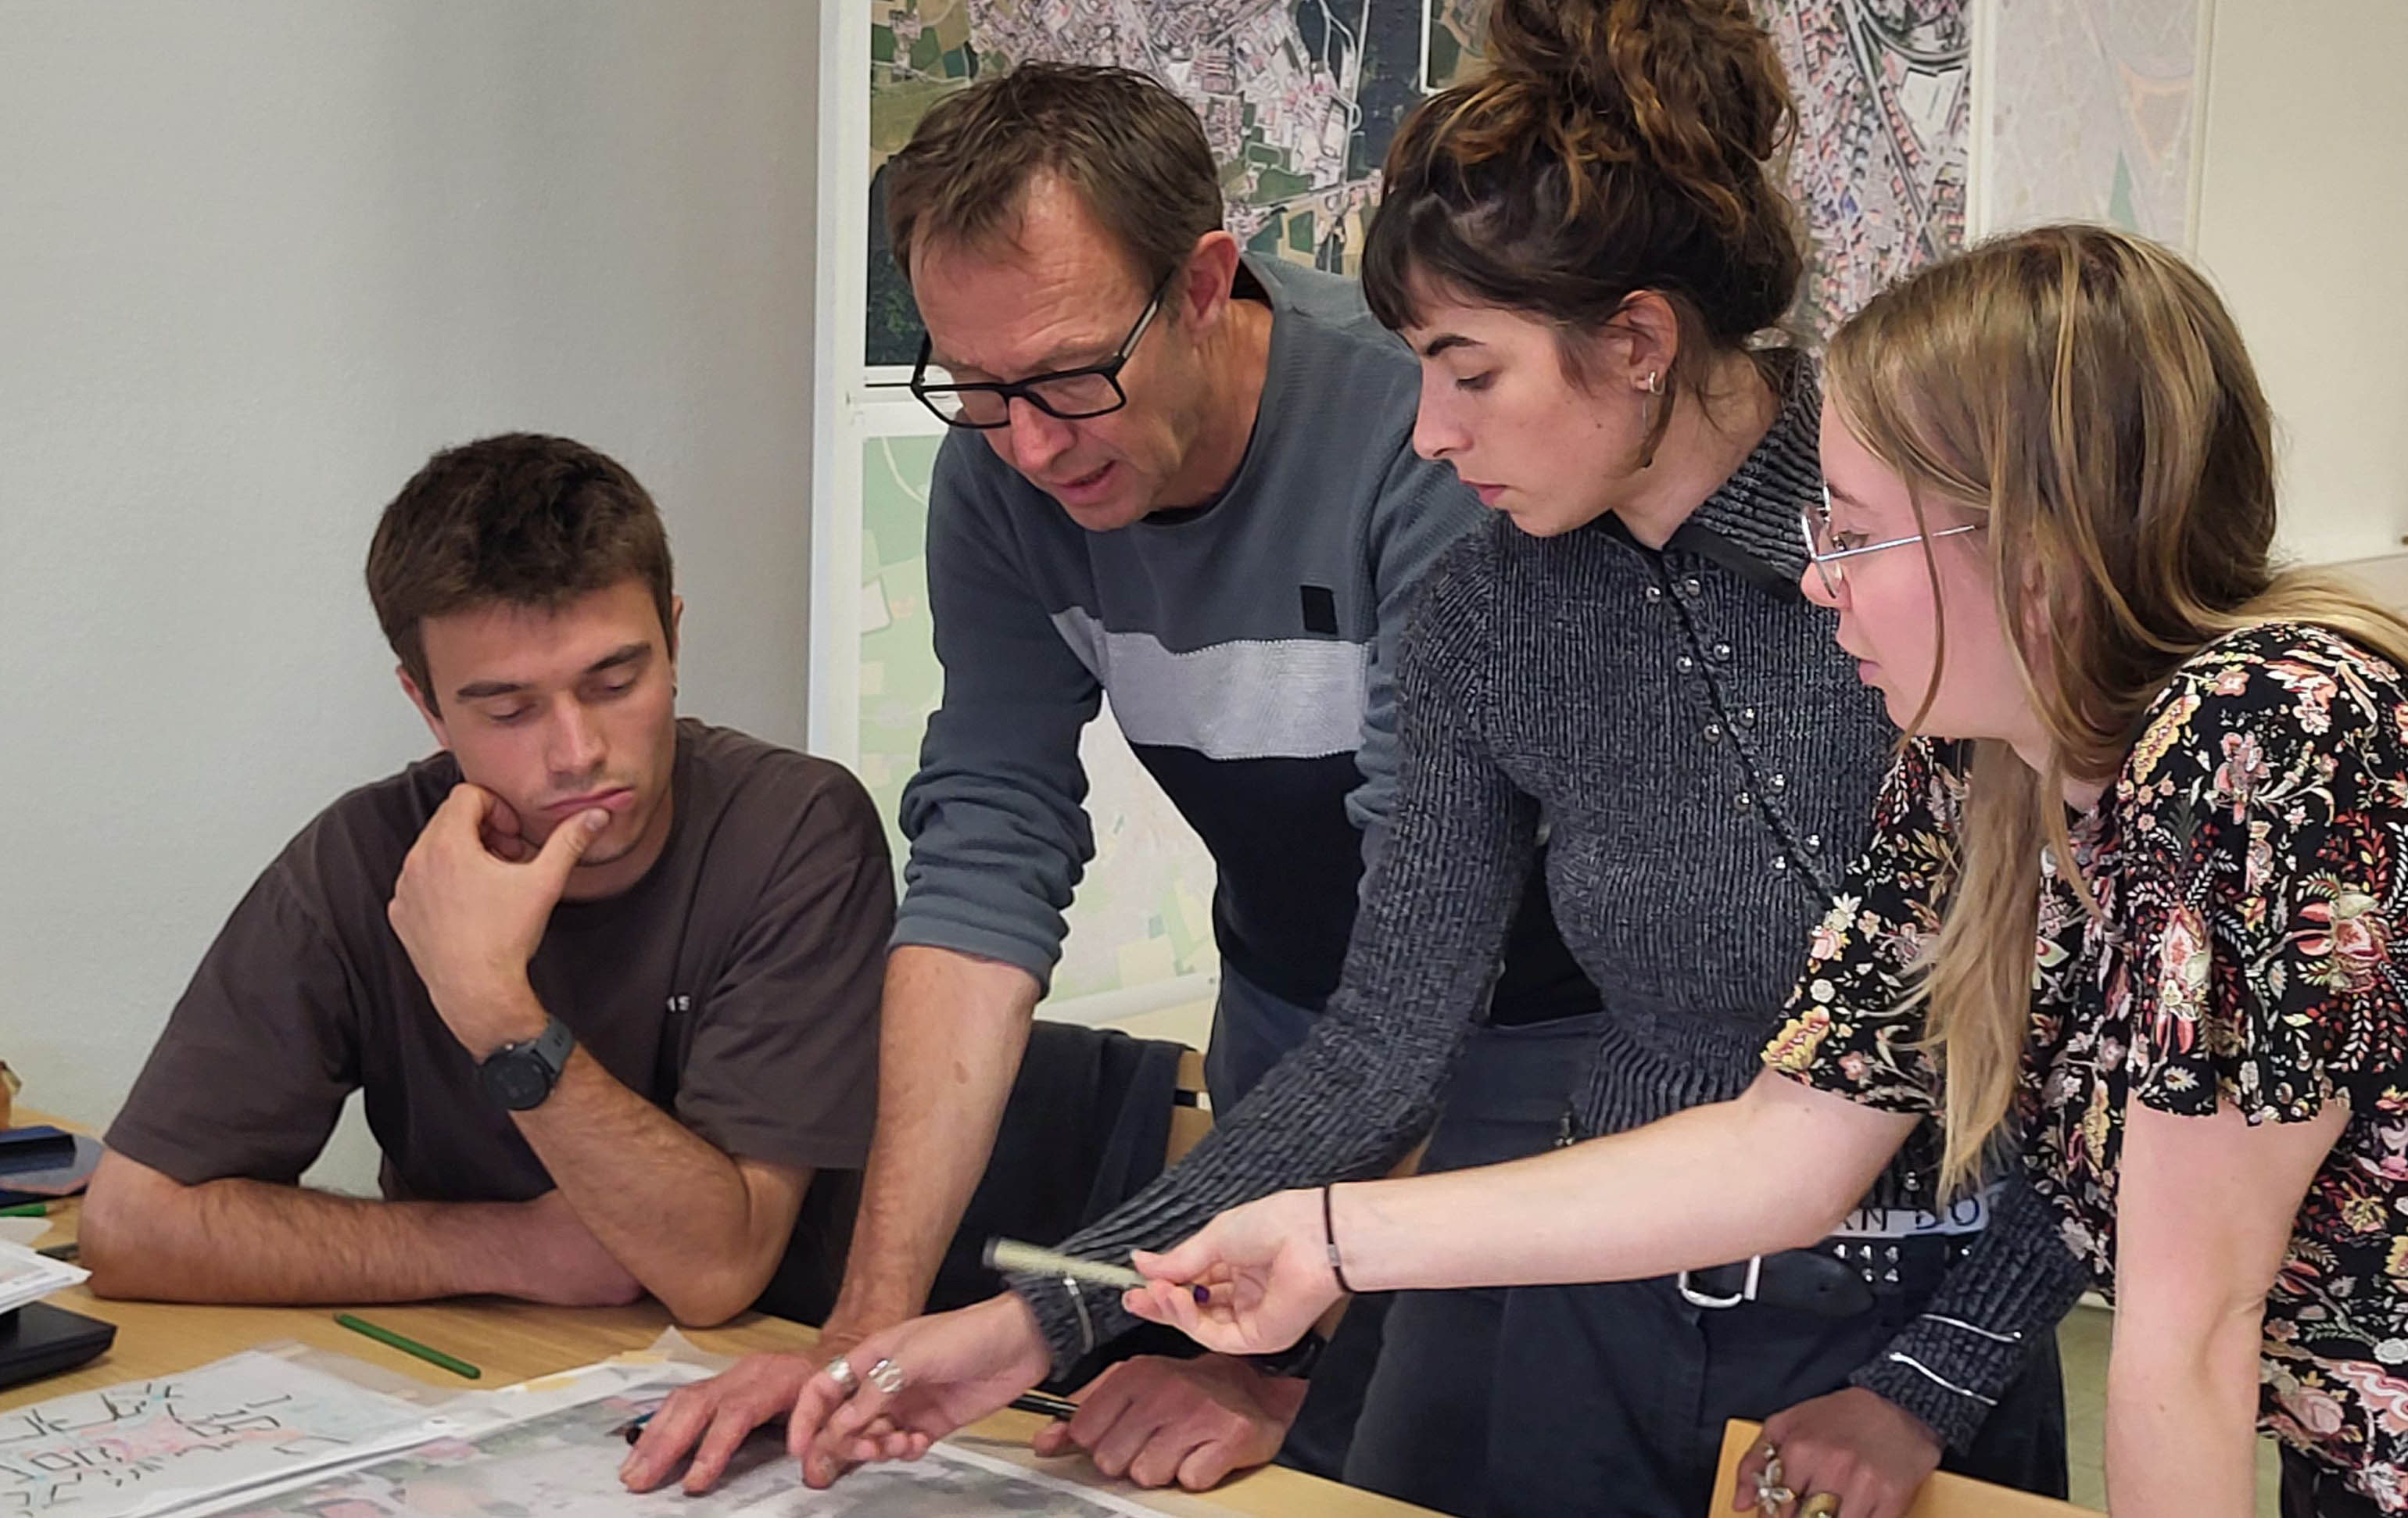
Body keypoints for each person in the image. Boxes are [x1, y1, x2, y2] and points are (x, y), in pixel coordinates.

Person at [1098, 224, 2408, 1518]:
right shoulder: (1975, 757)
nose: (1819, 582)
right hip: (2359, 1425)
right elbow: (1782, 1147)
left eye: (1852, 533)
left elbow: (2185, 1338)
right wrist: (1329, 1235)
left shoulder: (2270, 738)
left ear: (2030, 548)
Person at [792, 5, 2085, 1514]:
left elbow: (2095, 1056)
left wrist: (1926, 1386)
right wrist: (1041, 1318)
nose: (1423, 436)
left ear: (1639, 342)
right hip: (1606, 1303)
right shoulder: (1493, 608)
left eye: (1467, 373)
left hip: (1913, 1336)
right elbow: (1384, 1039)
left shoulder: (1923, 577)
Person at [620, 61, 1601, 1496]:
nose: (1029, 443)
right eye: (976, 388)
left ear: (1203, 285)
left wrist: (1269, 1351)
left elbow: (1432, 944)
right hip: (1292, 1014)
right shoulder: (1004, 478)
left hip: (1542, 1036)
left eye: (1071, 377)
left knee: (1434, 1453)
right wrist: (863, 1340)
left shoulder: (1423, 438)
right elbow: (986, 855)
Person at [82, 433, 894, 1331]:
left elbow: (715, 1268)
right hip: (480, 1365)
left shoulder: (795, 830)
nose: (577, 753)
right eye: (509, 710)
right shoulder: (363, 856)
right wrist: (510, 1247)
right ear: (427, 706)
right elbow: (127, 1225)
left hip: (753, 1372)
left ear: (672, 642)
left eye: (615, 682)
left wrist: (493, 1006)